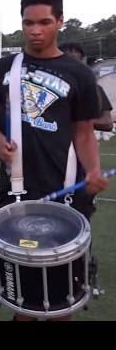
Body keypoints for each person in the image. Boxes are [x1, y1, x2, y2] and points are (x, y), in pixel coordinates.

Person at [0, 0, 110, 321]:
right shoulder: (3, 68)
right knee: (23, 298)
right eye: (28, 23)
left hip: (67, 193)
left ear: (60, 22)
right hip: (17, 192)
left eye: (44, 22)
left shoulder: (78, 73)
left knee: (61, 301)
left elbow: (83, 133)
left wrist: (93, 170)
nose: (35, 31)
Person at [59, 42, 113, 221]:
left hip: (81, 161)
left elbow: (107, 122)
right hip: (51, 158)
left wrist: (76, 121)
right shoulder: (49, 86)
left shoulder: (93, 88)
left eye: (76, 59)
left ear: (82, 61)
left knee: (79, 214)